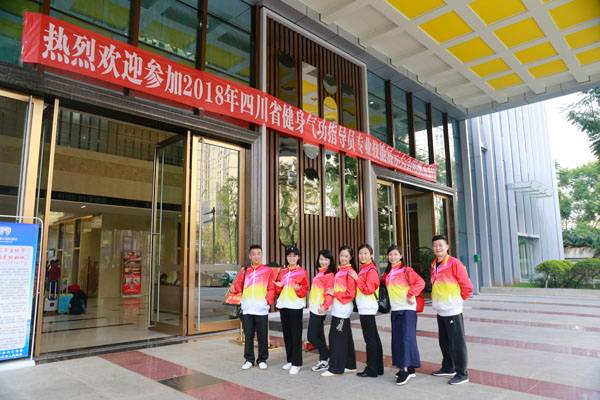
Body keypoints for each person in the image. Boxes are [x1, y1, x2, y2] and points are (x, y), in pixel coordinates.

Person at [429, 235, 474, 385]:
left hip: (452, 311)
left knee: (457, 343)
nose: (437, 248)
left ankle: (462, 373)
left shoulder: (454, 263)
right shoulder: (434, 264)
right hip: (440, 310)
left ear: (447, 247)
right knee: (444, 341)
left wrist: (456, 301)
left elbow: (467, 286)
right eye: (435, 245)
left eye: (440, 245)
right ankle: (448, 367)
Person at [382, 245, 425, 385]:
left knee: (406, 339)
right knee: (399, 339)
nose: (392, 257)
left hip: (407, 309)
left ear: (401, 256)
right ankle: (410, 368)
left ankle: (404, 369)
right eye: (390, 254)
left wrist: (411, 294)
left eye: (395, 254)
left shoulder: (407, 270)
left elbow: (420, 282)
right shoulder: (388, 273)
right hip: (395, 309)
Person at [230, 244, 276, 370]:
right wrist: (234, 289)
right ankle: (249, 359)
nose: (256, 256)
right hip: (247, 309)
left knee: (262, 336)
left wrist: (267, 301)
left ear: (262, 255)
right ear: (250, 256)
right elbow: (239, 285)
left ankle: (262, 359)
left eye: (258, 254)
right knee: (248, 336)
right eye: (254, 254)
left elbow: (271, 288)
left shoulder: (268, 271)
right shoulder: (244, 271)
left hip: (261, 309)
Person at [348, 244, 383, 378]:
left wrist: (356, 278)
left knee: (370, 339)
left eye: (365, 253)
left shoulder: (371, 270)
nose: (362, 256)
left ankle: (372, 368)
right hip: (365, 307)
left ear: (371, 255)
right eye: (360, 253)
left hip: (367, 307)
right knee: (373, 338)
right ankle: (378, 367)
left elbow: (368, 289)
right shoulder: (364, 269)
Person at [321, 246, 357, 377]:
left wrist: (334, 293)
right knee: (346, 337)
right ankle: (350, 365)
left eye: (346, 256)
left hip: (343, 309)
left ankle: (336, 368)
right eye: (341, 255)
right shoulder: (340, 270)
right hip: (338, 307)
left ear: (350, 257)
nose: (343, 258)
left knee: (335, 338)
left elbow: (350, 294)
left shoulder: (350, 272)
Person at [275, 245, 309, 375]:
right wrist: (279, 286)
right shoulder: (283, 271)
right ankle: (290, 360)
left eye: (294, 256)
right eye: (289, 256)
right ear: (286, 257)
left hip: (295, 306)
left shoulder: (302, 272)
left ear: (298, 257)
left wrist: (298, 289)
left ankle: (297, 363)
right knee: (287, 334)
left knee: (295, 335)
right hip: (284, 305)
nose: (292, 258)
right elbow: (278, 289)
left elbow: (305, 289)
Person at [307, 249, 336, 372]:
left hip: (320, 309)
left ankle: (327, 354)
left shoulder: (329, 275)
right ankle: (324, 360)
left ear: (330, 261)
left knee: (311, 337)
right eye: (321, 259)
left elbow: (329, 293)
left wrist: (325, 306)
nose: (323, 261)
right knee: (319, 335)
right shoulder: (320, 273)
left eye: (326, 259)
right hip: (314, 308)